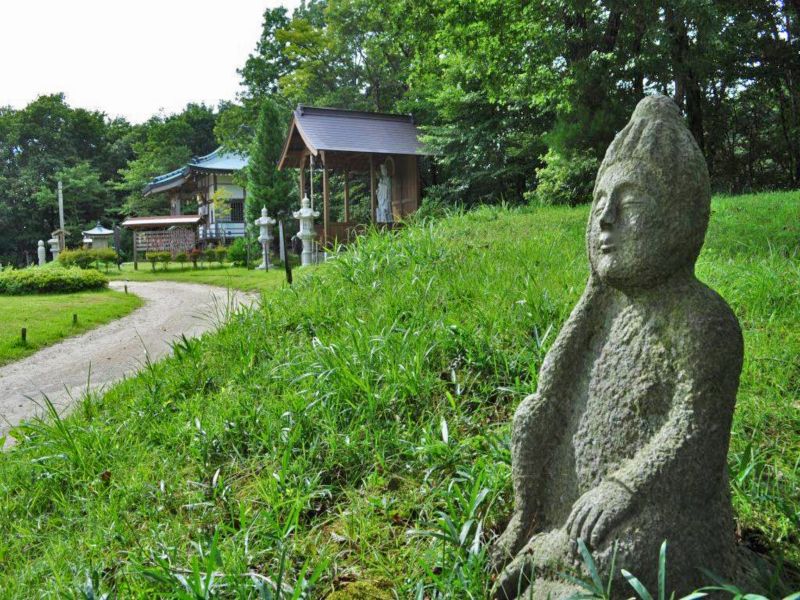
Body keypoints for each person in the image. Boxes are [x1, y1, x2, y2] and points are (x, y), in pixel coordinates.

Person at [492, 95, 744, 598]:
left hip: (655, 508)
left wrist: (625, 486)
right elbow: (552, 386)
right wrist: (592, 290)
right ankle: (534, 529)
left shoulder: (702, 321)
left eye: (627, 205)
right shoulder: (604, 304)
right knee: (530, 413)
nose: (605, 220)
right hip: (577, 504)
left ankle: (550, 560)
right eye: (599, 205)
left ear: (678, 217)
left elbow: (694, 433)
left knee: (624, 558)